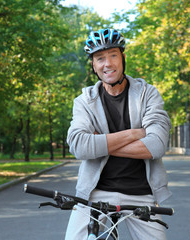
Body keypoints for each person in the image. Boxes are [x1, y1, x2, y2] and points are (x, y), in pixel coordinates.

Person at [65, 28, 172, 240]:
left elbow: (157, 145)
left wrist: (99, 144)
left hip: (141, 193)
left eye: (113, 55)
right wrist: (135, 133)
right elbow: (79, 146)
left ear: (122, 58)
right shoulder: (85, 101)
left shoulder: (147, 93)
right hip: (95, 193)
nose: (108, 63)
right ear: (94, 66)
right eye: (100, 58)